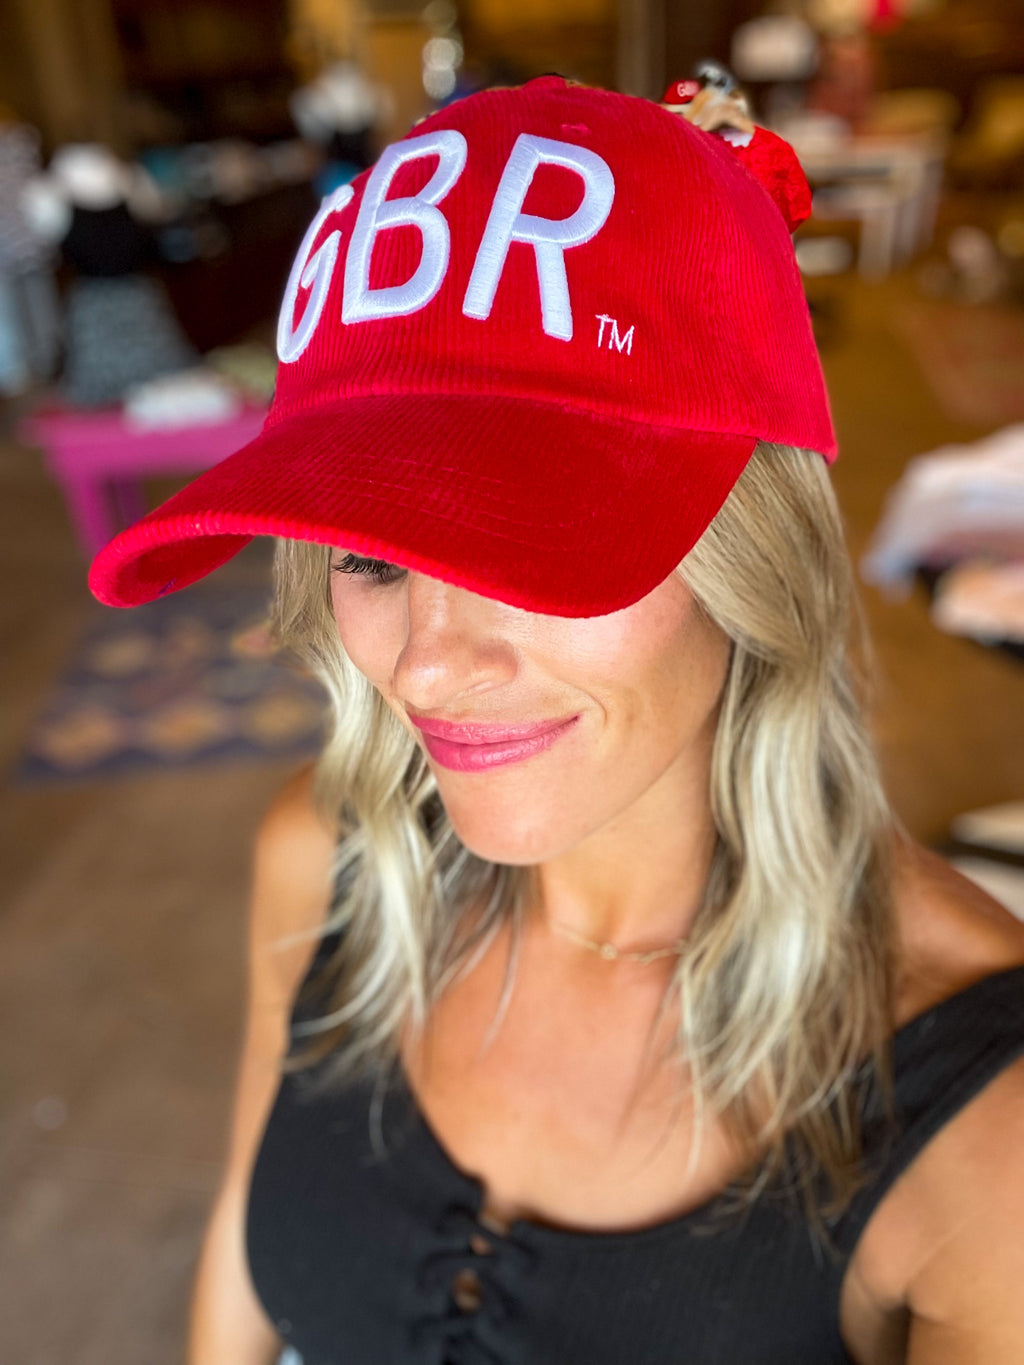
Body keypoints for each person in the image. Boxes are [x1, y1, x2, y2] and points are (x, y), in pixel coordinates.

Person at [88, 77, 1024, 1365]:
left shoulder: (987, 1122)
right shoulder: (328, 868)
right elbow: (237, 1297)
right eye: (368, 558)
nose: (426, 668)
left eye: (529, 543)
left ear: (749, 551)